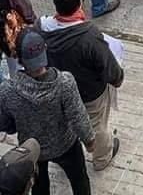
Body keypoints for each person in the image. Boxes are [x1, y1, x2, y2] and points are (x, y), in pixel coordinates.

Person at [38, 0, 122, 172]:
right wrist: (117, 78)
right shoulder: (89, 36)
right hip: (89, 92)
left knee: (65, 119)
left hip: (56, 88)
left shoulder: (42, 28)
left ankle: (67, 150)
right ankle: (101, 158)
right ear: (80, 5)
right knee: (97, 125)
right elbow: (109, 67)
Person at [0, 27, 95, 195]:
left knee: (39, 186)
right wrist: (89, 140)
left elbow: (5, 123)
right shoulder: (65, 82)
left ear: (20, 59)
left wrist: (16, 125)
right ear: (45, 50)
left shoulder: (8, 90)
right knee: (79, 179)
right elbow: (78, 116)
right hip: (65, 144)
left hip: (32, 151)